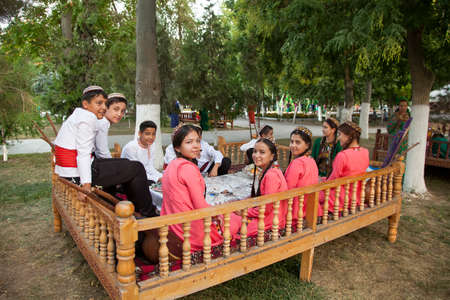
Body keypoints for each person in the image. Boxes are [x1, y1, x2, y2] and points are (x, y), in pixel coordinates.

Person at [54, 86, 157, 217]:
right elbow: (83, 154)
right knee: (137, 168)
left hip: (75, 170)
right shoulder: (87, 119)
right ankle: (148, 214)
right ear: (85, 104)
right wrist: (85, 185)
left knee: (127, 164)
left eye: (104, 103)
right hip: (77, 174)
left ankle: (136, 208)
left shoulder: (80, 115)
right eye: (99, 103)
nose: (103, 107)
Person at [160, 124, 241, 252]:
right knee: (235, 220)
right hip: (188, 230)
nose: (196, 145)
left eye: (197, 141)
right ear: (177, 148)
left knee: (229, 214)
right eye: (189, 142)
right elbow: (200, 207)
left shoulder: (173, 164)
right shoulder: (187, 168)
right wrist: (219, 214)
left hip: (172, 224)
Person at [320, 121, 369, 216]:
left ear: (349, 137)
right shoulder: (365, 152)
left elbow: (333, 181)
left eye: (340, 135)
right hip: (357, 195)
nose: (338, 138)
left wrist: (321, 183)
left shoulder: (343, 155)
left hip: (341, 198)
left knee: (312, 191)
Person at [246, 138, 288, 237]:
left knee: (233, 224)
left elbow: (266, 209)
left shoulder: (271, 176)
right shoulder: (270, 170)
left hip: (271, 220)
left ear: (272, 156)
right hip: (271, 215)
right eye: (255, 151)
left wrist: (244, 211)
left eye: (262, 152)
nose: (256, 155)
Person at [284, 127, 320, 222]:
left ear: (307, 145)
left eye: (298, 142)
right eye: (292, 141)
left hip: (297, 208)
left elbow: (288, 189)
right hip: (308, 205)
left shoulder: (297, 163)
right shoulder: (311, 160)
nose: (293, 145)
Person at [165, 126, 231, 176]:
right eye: (189, 142)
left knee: (225, 161)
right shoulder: (171, 150)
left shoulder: (203, 144)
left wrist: (215, 167)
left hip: (205, 169)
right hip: (188, 172)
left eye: (198, 140)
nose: (195, 145)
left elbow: (217, 154)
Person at [121, 121, 162, 185]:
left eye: (153, 134)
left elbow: (149, 166)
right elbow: (137, 171)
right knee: (153, 184)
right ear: (140, 133)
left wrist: (161, 176)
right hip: (130, 178)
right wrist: (156, 178)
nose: (151, 137)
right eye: (147, 134)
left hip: (143, 175)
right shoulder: (131, 147)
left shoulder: (152, 145)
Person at [95, 93, 127, 158]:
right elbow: (102, 152)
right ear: (106, 108)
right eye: (116, 109)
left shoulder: (103, 122)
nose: (119, 114)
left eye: (122, 111)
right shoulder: (102, 123)